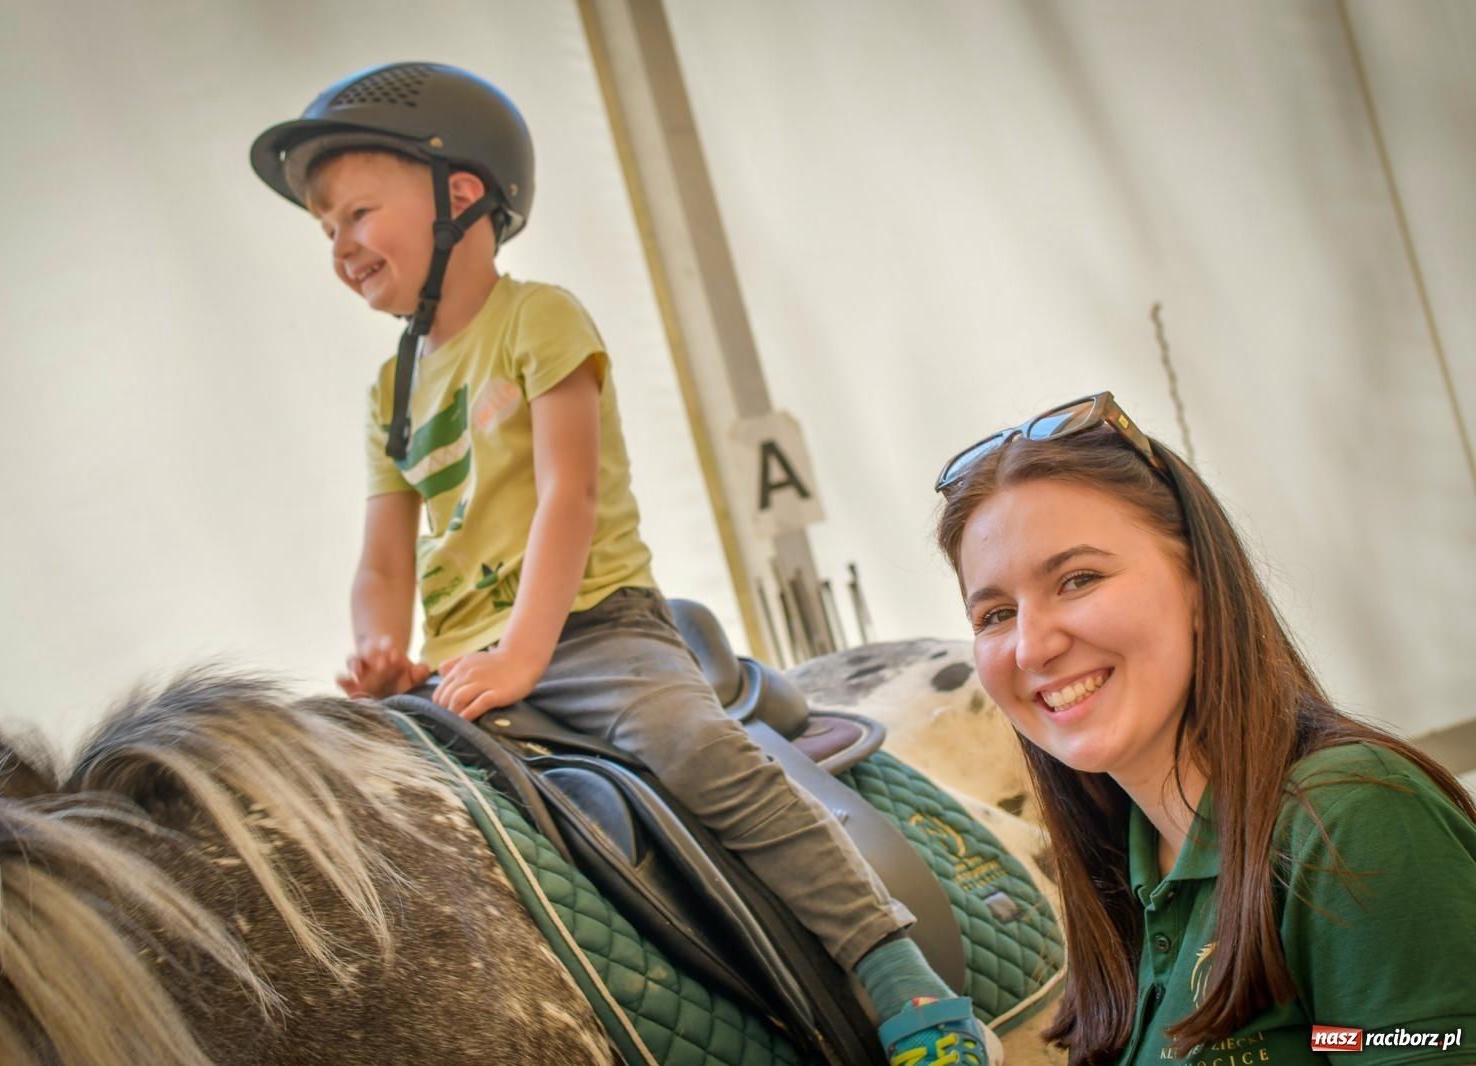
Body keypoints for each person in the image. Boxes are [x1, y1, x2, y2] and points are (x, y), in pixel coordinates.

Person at [250, 62, 995, 1066]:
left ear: (459, 193)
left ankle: (894, 970)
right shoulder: (389, 387)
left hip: (593, 630)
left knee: (691, 746)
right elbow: (383, 554)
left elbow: (567, 493)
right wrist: (377, 651)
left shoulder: (539, 319)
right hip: (460, 666)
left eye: (355, 213)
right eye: (324, 229)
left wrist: (522, 655)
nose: (338, 245)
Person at [932, 392, 1476, 1065]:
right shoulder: (1122, 876)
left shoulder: (1353, 819)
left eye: (1078, 579)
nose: (1031, 647)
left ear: (1198, 582)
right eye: (994, 615)